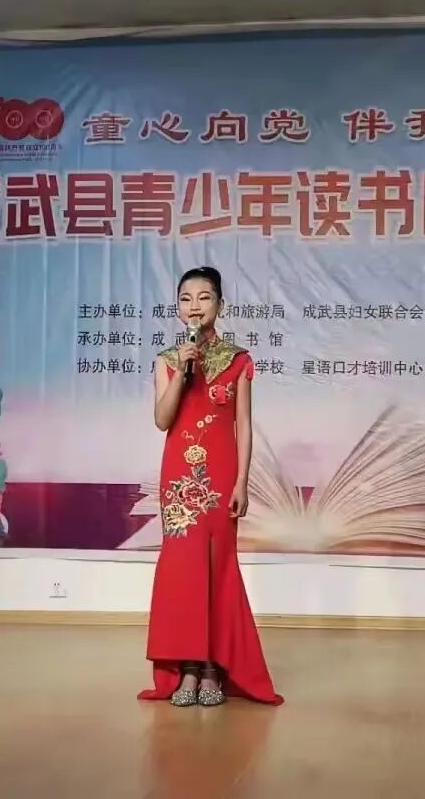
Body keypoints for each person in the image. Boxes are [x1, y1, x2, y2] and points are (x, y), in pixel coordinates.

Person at [138, 266, 282, 707]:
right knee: (183, 571)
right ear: (177, 308)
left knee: (218, 569)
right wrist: (183, 372)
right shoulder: (167, 360)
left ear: (220, 305)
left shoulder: (238, 361)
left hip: (220, 479)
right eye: (186, 299)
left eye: (204, 298)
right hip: (179, 482)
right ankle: (186, 668)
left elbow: (244, 426)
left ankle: (212, 669)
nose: (194, 306)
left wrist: (242, 482)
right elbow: (162, 420)